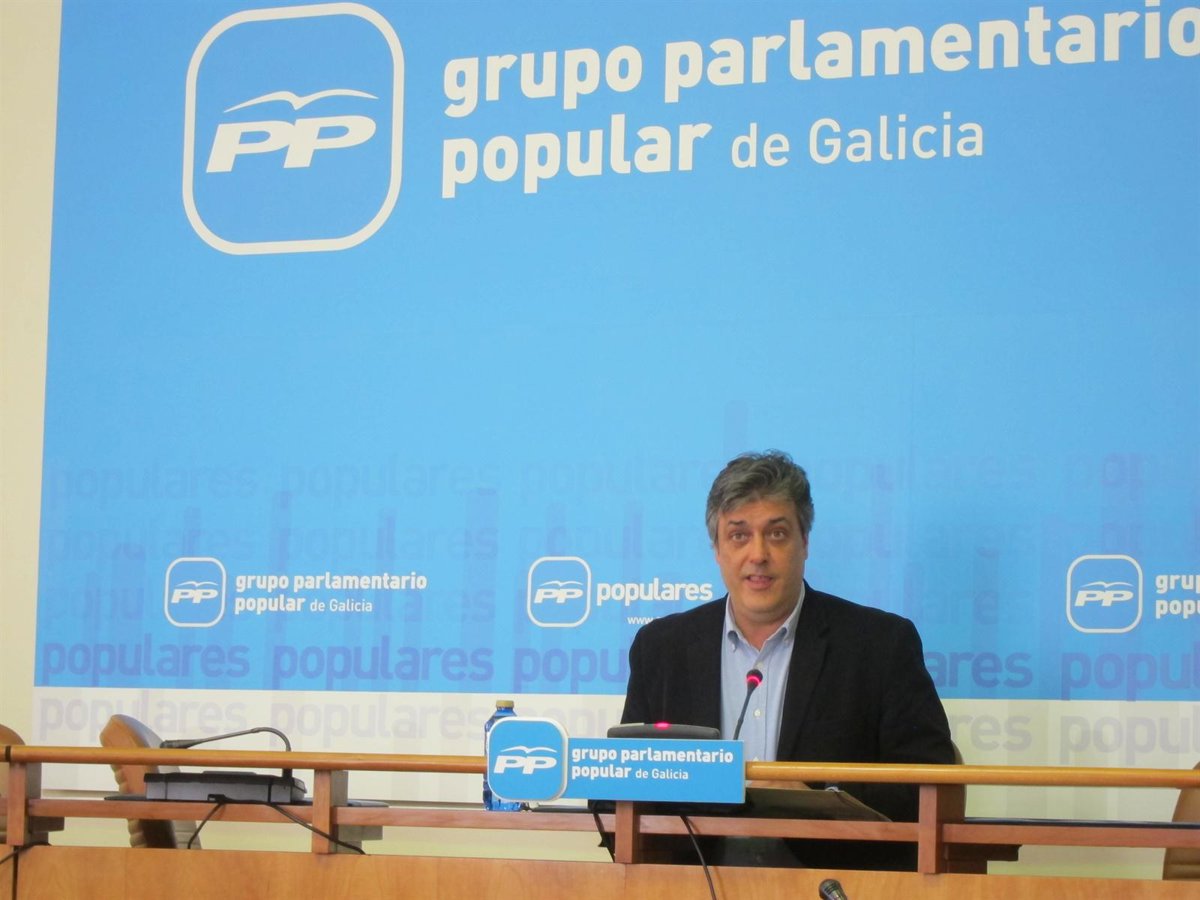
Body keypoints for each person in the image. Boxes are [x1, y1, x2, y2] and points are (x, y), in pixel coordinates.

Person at [621, 450, 955, 869]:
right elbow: (622, 790)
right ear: (717, 549)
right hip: (693, 881)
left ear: (805, 542)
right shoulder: (661, 648)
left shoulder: (880, 645)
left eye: (777, 534)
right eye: (739, 535)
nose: (758, 554)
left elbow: (928, 780)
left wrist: (819, 797)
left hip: (834, 879)